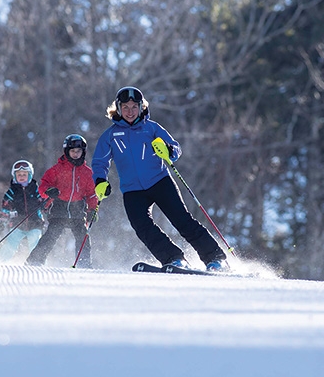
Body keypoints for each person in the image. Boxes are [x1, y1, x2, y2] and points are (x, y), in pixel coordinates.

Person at [91, 86, 229, 272]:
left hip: (159, 181)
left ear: (141, 107)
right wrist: (100, 180)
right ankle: (173, 258)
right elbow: (100, 161)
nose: (130, 111)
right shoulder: (110, 136)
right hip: (132, 190)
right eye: (125, 107)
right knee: (142, 227)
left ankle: (216, 258)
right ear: (118, 108)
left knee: (182, 220)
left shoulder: (151, 128)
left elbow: (174, 148)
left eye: (134, 107)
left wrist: (169, 151)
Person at [25, 134, 98, 268]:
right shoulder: (57, 170)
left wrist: (92, 210)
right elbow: (43, 186)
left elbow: (91, 194)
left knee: (83, 236)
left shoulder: (87, 173)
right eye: (73, 151)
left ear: (83, 152)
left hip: (78, 210)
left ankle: (84, 263)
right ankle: (34, 261)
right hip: (59, 208)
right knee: (51, 235)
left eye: (79, 151)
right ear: (67, 151)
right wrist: (49, 191)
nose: (76, 154)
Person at [0, 160, 46, 261]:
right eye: (19, 175)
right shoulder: (11, 192)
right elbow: (5, 208)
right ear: (14, 176)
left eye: (24, 174)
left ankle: (38, 262)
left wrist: (44, 203)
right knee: (10, 244)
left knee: (35, 243)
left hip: (35, 224)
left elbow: (44, 203)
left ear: (30, 175)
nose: (22, 176)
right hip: (17, 224)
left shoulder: (36, 190)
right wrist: (1, 223)